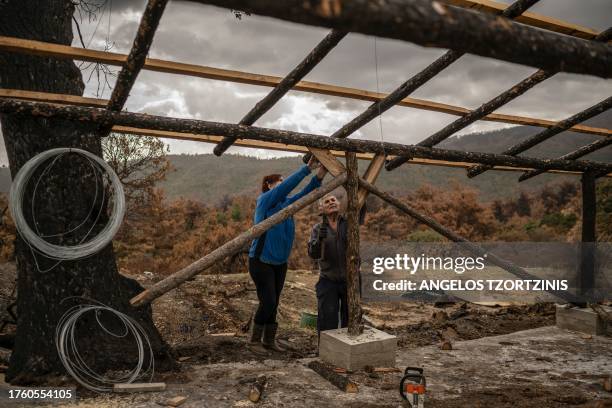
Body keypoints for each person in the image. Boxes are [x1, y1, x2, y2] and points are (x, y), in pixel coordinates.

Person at [248, 157, 327, 353]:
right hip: (261, 260)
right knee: (268, 301)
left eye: (283, 181)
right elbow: (284, 189)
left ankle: (268, 340)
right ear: (269, 185)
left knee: (274, 301)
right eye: (278, 181)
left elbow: (305, 192)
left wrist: (320, 174)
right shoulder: (264, 201)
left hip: (280, 263)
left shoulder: (287, 205)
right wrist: (306, 169)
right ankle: (254, 341)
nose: (282, 184)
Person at [308, 192, 351, 334]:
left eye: (334, 200)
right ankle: (325, 352)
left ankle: (347, 351)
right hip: (328, 280)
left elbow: (361, 207)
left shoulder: (349, 222)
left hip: (351, 279)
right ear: (321, 209)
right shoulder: (317, 228)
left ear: (339, 204)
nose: (332, 202)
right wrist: (319, 240)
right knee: (327, 320)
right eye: (327, 202)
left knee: (351, 318)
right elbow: (313, 254)